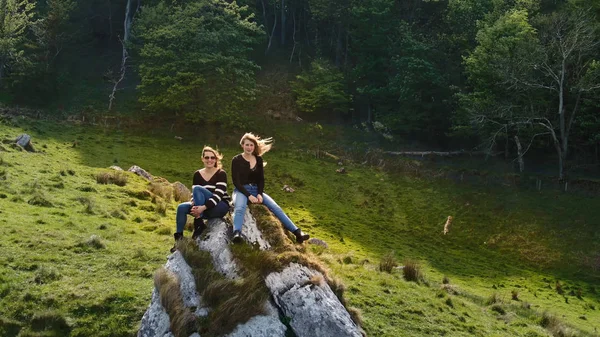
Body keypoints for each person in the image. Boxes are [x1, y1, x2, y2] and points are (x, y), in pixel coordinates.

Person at [231, 133, 310, 244]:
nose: (249, 147)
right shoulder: (236, 160)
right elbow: (236, 182)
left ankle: (297, 232)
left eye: (251, 145)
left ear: (254, 146)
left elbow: (261, 180)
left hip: (256, 190)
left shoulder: (258, 160)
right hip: (241, 190)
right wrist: (249, 196)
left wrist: (259, 194)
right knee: (240, 208)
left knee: (276, 207)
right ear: (242, 145)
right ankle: (237, 233)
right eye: (247, 145)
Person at [171, 146, 230, 252]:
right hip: (202, 208)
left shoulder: (221, 174)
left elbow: (218, 195)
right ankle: (179, 241)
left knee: (198, 189)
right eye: (207, 157)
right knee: (181, 207)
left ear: (216, 159)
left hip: (219, 206)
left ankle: (198, 221)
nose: (210, 160)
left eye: (212, 158)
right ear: (202, 159)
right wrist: (194, 205)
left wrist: (202, 208)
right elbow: (194, 195)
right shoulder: (197, 174)